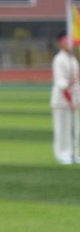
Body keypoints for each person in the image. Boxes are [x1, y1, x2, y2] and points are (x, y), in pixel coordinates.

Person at [49, 32, 80, 164]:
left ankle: (73, 152)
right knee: (62, 129)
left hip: (75, 98)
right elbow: (61, 83)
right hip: (62, 101)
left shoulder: (73, 59)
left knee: (74, 128)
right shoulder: (59, 59)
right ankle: (61, 154)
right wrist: (69, 100)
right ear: (61, 43)